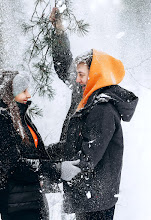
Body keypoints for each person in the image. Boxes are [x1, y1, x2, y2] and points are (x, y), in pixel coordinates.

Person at [48, 8, 139, 220]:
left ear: (95, 75)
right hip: (90, 195)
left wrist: (52, 171)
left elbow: (87, 158)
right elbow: (63, 66)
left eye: (81, 75)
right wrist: (60, 34)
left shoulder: (101, 109)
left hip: (95, 197)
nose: (77, 79)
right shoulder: (87, 97)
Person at [0, 71, 60, 220]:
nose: (28, 95)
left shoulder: (18, 116)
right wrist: (57, 170)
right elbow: (14, 166)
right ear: (9, 92)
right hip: (18, 206)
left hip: (31, 200)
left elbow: (34, 155)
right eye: (23, 91)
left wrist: (64, 148)